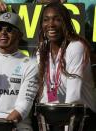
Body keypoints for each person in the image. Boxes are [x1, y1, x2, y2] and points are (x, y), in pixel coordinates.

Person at [36, 2, 96, 130]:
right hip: (58, 117)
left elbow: (74, 97)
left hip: (83, 117)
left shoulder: (76, 47)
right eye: (46, 20)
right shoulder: (42, 50)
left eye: (57, 19)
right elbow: (45, 94)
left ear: (66, 23)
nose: (51, 24)